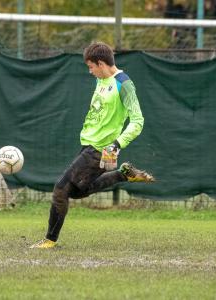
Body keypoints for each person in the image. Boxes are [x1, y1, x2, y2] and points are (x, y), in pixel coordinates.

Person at [30, 42, 154, 249]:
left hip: (102, 148)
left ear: (101, 63)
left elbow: (138, 121)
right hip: (88, 145)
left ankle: (50, 240)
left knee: (60, 189)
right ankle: (123, 174)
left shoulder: (124, 84)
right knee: (76, 191)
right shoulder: (102, 79)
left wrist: (116, 145)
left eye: (91, 67)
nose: (90, 72)